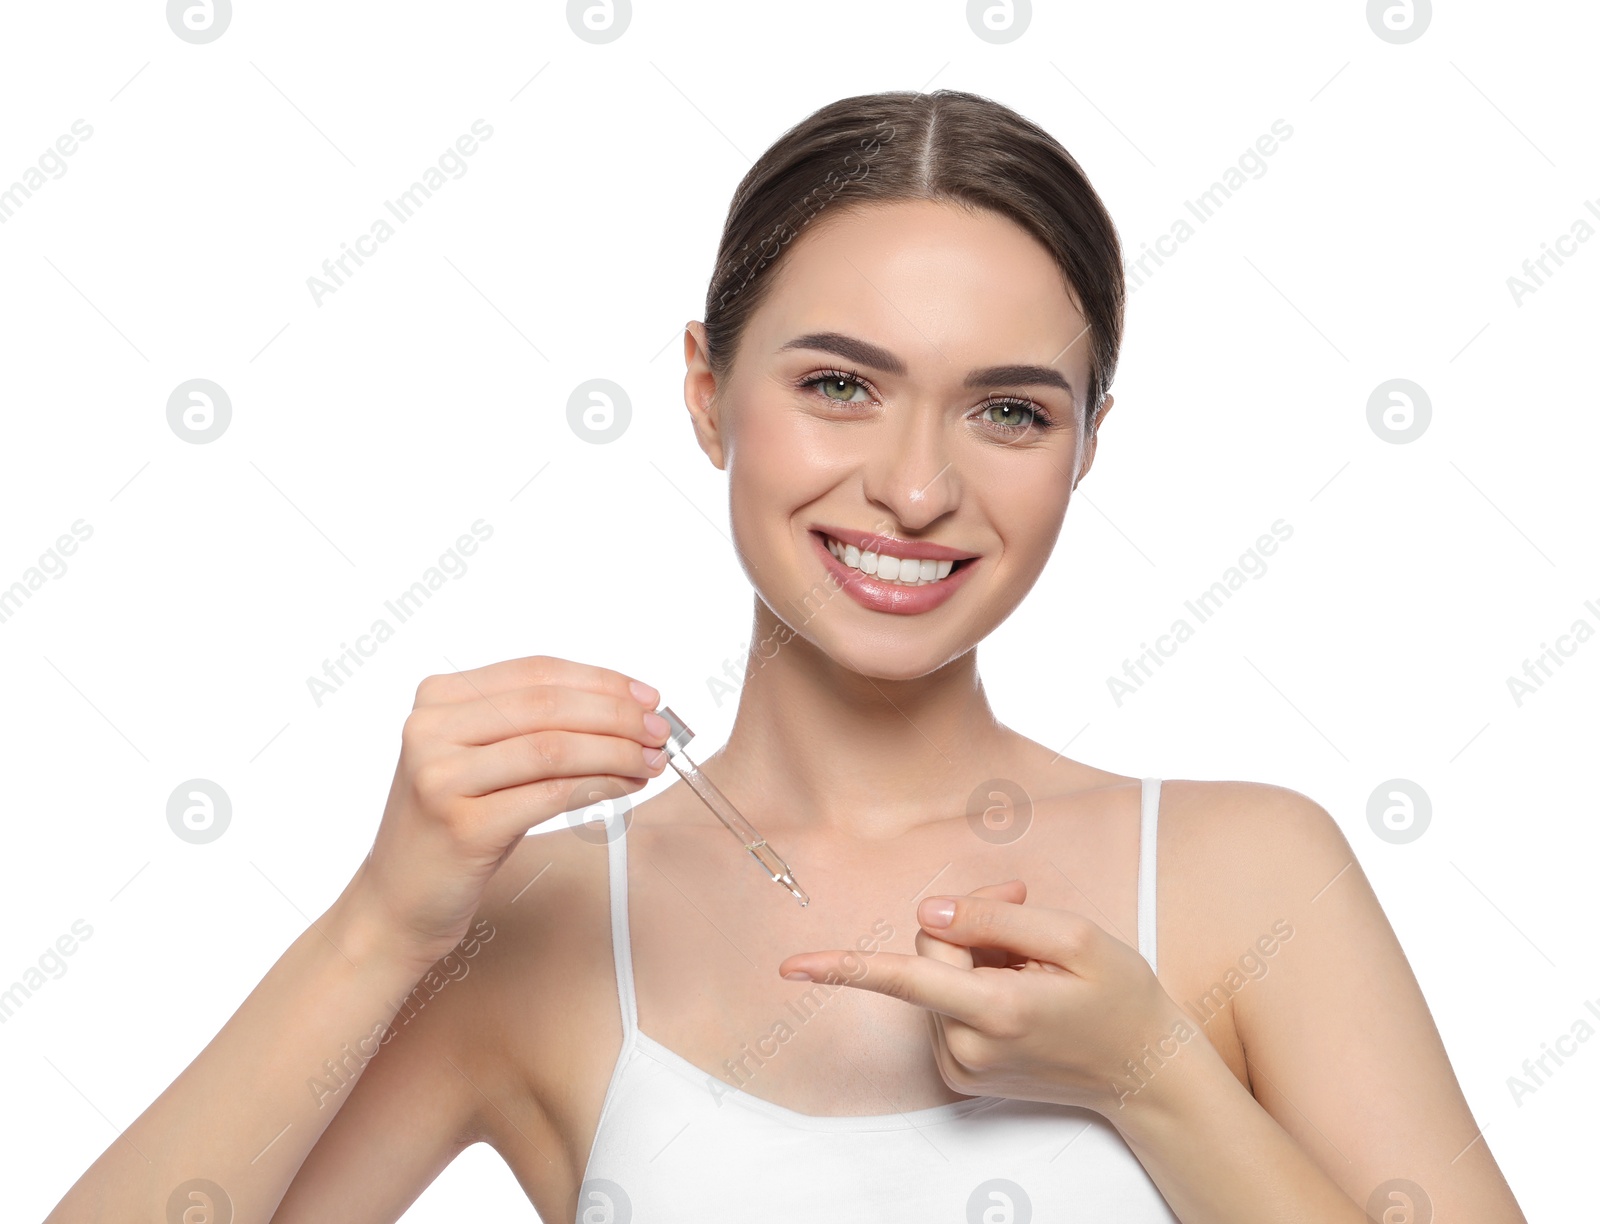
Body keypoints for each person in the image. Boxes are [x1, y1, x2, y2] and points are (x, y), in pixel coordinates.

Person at [46, 88, 1526, 1224]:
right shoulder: (541, 923)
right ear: (707, 392)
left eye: (1008, 410)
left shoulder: (1248, 873)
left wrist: (1151, 1076)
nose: (917, 487)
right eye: (838, 384)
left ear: (1085, 446)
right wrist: (380, 921)